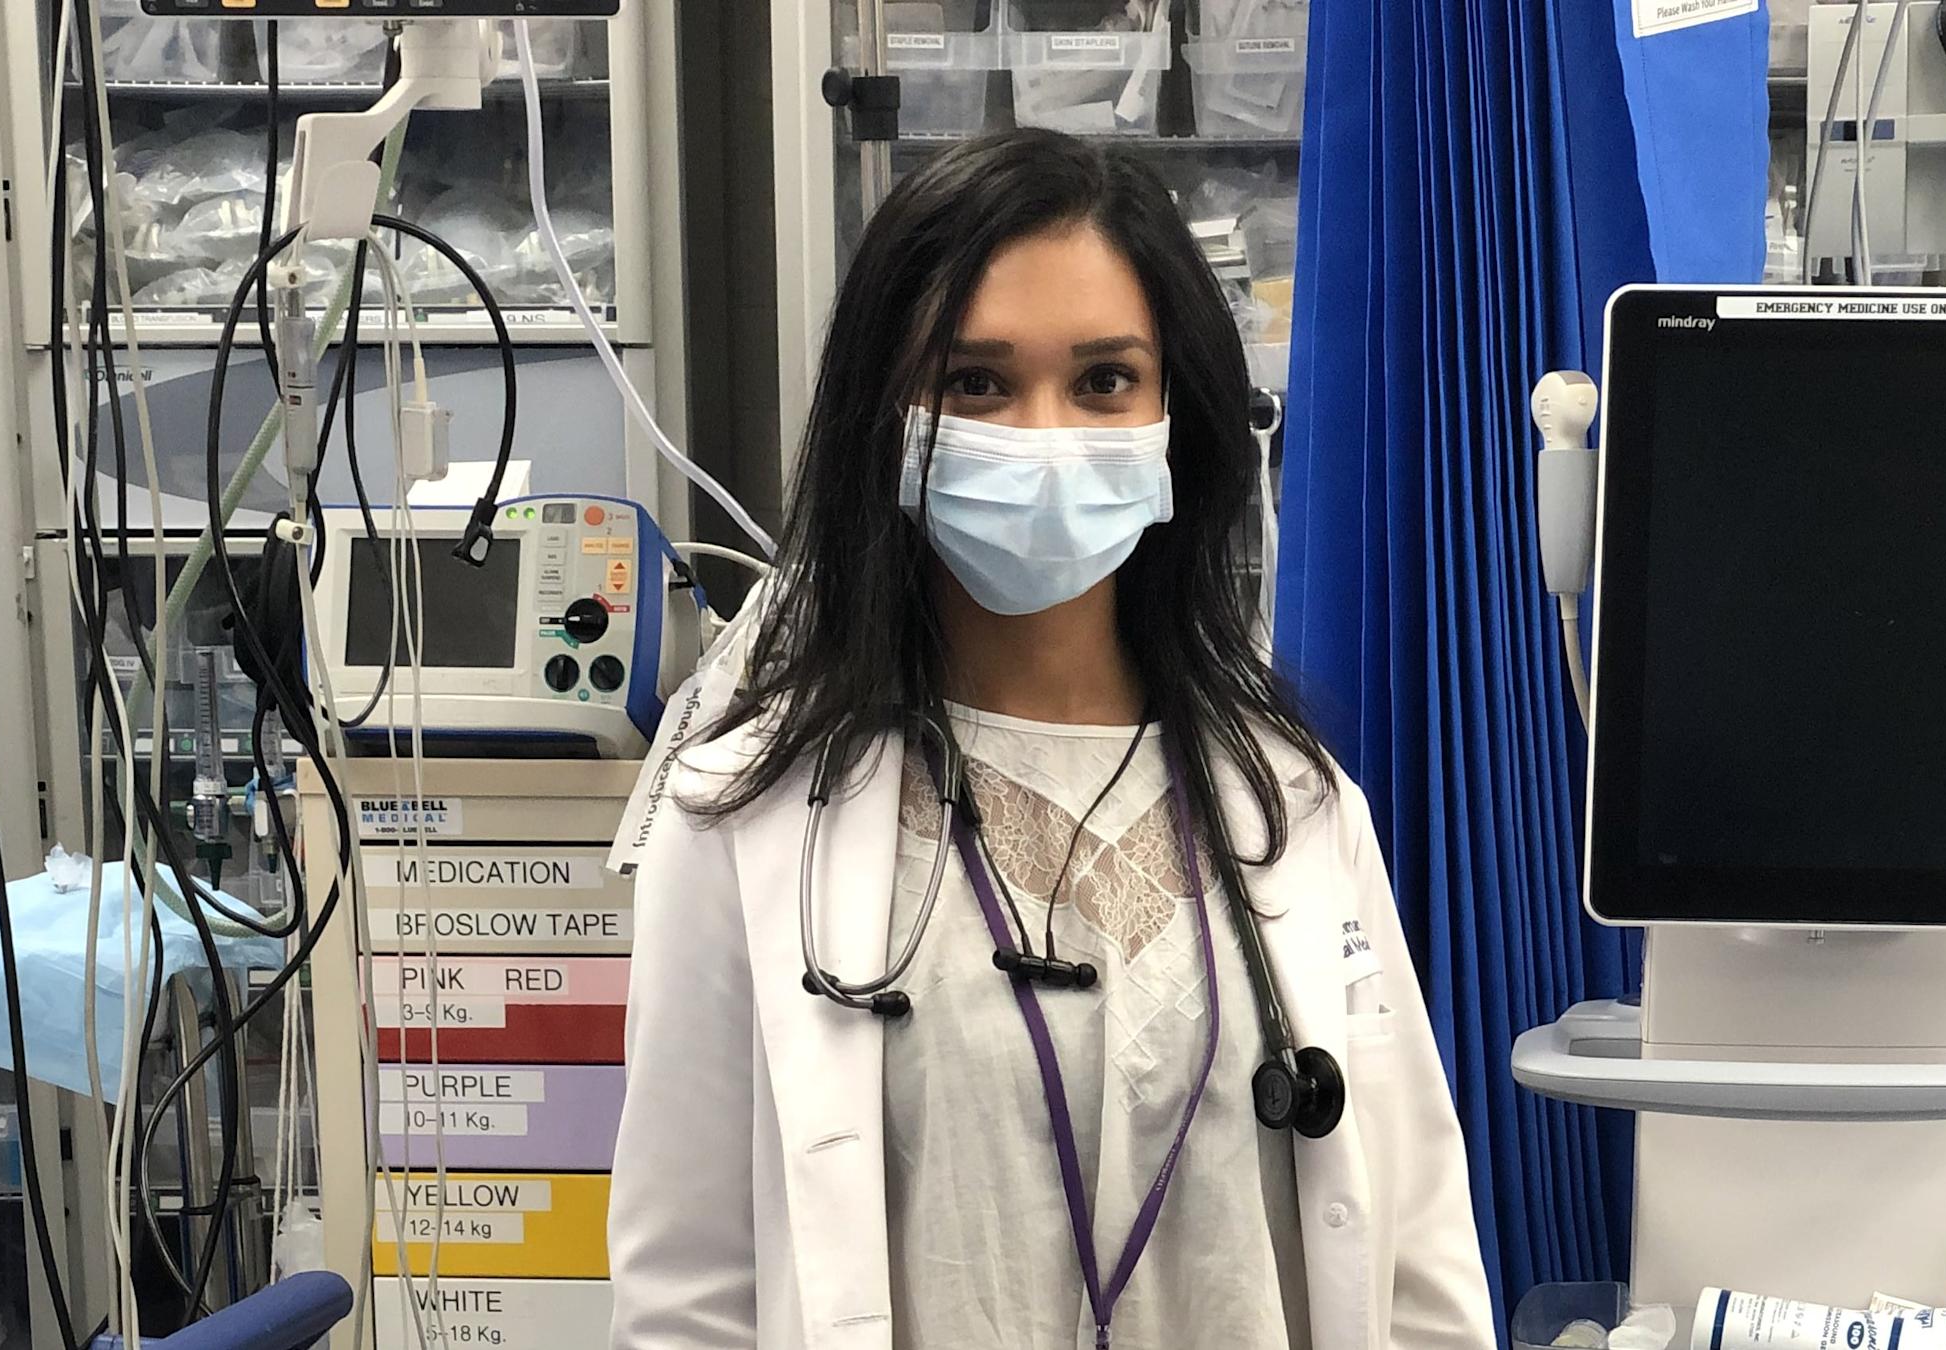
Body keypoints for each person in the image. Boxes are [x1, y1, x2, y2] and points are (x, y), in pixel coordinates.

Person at [609, 129, 1495, 1350]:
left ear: (1174, 412)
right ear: (887, 416)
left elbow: (1415, 1258)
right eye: (975, 382)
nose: (1041, 435)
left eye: (1103, 381)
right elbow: (686, 1296)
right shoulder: (745, 822)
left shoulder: (1293, 803)